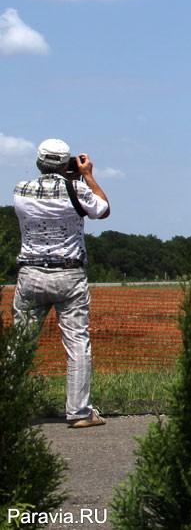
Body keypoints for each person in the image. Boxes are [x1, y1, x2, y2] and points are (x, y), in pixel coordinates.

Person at [11, 139, 110, 428]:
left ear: (40, 163)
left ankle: (10, 406)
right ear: (67, 163)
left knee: (18, 345)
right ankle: (80, 412)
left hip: (30, 273)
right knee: (77, 342)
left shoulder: (20, 190)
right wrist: (87, 175)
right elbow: (102, 210)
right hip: (69, 274)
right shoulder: (77, 189)